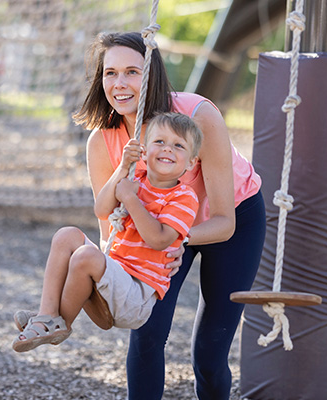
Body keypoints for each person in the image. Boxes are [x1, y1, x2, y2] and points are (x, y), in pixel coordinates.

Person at [72, 31, 266, 400]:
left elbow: (225, 221)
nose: (120, 83)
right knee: (146, 335)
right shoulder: (103, 141)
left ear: (152, 76)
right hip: (159, 226)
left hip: (230, 221)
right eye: (110, 73)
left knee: (209, 355)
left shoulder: (197, 115)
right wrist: (112, 283)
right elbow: (109, 231)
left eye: (132, 71)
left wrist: (176, 237)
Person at [12, 112, 202, 353]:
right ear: (144, 149)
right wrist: (123, 167)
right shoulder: (134, 178)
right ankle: (47, 313)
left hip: (137, 295)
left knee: (85, 256)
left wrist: (131, 199)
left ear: (191, 162)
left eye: (178, 145)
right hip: (115, 275)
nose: (167, 149)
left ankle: (61, 324)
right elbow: (101, 210)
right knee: (66, 235)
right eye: (159, 142)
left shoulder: (183, 197)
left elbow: (158, 240)